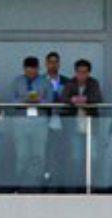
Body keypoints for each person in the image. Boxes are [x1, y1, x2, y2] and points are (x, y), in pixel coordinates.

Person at [8, 56, 54, 190]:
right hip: (21, 120)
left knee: (38, 155)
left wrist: (39, 101)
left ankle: (36, 185)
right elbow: (11, 102)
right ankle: (21, 184)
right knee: (22, 154)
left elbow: (51, 102)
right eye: (28, 69)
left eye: (34, 68)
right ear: (24, 69)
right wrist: (24, 101)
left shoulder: (45, 82)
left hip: (39, 121)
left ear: (38, 68)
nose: (31, 71)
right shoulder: (17, 81)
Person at [61, 60, 103, 192]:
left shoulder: (93, 83)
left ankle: (92, 187)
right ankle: (77, 187)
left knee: (93, 158)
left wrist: (86, 100)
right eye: (79, 72)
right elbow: (63, 98)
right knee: (76, 158)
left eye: (85, 72)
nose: (82, 75)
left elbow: (97, 98)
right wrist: (72, 100)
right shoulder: (70, 83)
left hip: (91, 127)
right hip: (75, 126)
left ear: (89, 73)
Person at [43, 52, 73, 190]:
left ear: (59, 64)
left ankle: (62, 183)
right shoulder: (41, 81)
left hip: (63, 122)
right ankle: (46, 183)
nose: (53, 65)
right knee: (46, 153)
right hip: (45, 122)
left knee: (62, 153)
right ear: (46, 63)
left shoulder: (67, 82)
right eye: (50, 62)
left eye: (56, 62)